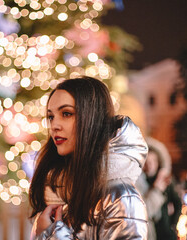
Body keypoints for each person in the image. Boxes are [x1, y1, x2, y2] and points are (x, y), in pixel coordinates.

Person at [29, 76, 149, 239]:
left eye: (66, 113)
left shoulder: (120, 196)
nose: (54, 125)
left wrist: (52, 235)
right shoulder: (61, 188)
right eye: (51, 116)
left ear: (92, 118)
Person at [135, 137, 182, 240]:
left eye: (153, 161)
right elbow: (143, 211)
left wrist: (173, 223)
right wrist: (156, 190)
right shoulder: (138, 183)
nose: (150, 165)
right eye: (146, 162)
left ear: (158, 162)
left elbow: (178, 202)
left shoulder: (165, 180)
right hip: (150, 233)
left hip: (166, 232)